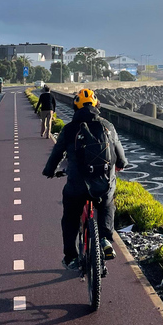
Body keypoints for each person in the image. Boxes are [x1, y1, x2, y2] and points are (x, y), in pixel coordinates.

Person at [42, 89, 127, 269]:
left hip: (77, 185)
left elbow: (56, 154)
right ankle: (105, 239)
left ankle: (71, 257)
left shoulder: (69, 129)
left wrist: (49, 171)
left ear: (75, 107)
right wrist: (118, 165)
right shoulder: (108, 126)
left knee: (70, 217)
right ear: (96, 105)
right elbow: (121, 158)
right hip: (103, 183)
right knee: (107, 203)